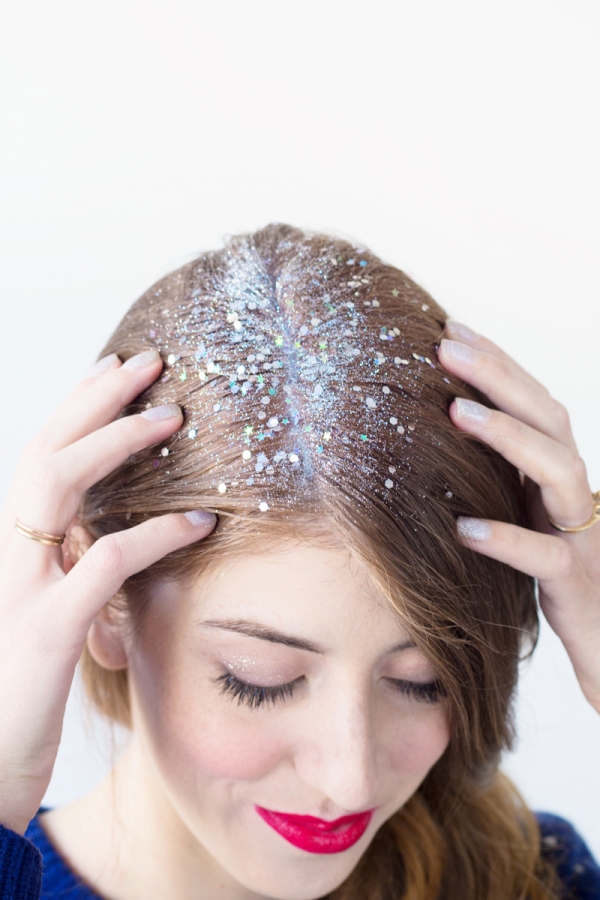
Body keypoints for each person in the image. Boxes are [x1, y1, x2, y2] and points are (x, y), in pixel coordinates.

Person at [0, 223, 599, 900]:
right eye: (262, 681)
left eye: (421, 680)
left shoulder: (538, 880)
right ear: (103, 602)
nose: (351, 781)